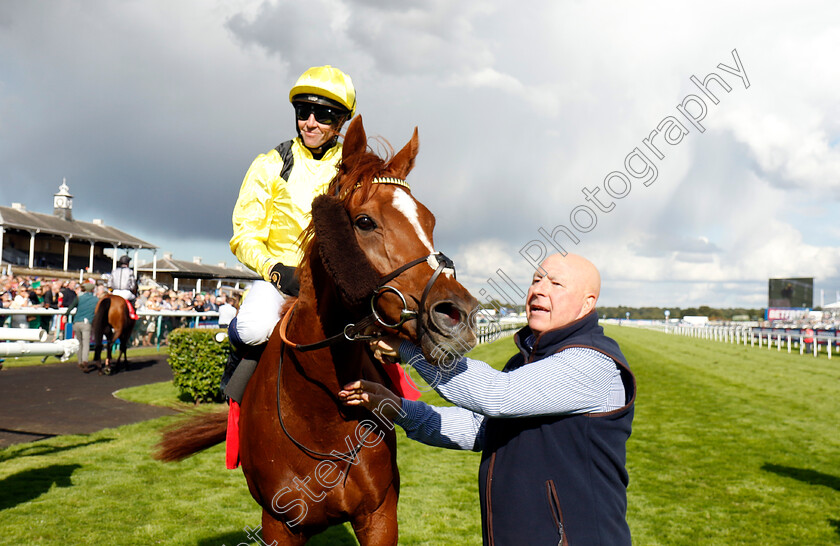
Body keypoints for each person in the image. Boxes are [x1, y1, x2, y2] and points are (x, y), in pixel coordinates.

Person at [339, 253, 636, 546]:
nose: (539, 289)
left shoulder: (593, 362)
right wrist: (398, 407)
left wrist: (410, 350)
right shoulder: (523, 363)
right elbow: (476, 429)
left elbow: (497, 396)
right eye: (536, 279)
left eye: (556, 284)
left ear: (587, 304)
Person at [222, 64, 356, 399]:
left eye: (324, 115)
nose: (311, 122)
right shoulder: (270, 163)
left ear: (342, 122)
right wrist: (275, 270)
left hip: (336, 287)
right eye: (304, 111)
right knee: (254, 328)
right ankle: (236, 385)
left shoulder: (355, 168)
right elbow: (245, 234)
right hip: (281, 283)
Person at [65, 282, 99, 373]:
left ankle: (79, 362)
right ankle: (85, 361)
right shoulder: (96, 300)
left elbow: (70, 308)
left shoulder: (79, 297)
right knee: (86, 344)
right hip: (86, 323)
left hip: (76, 322)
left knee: (79, 343)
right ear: (92, 290)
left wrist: (66, 315)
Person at [107, 255, 138, 319]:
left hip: (115, 292)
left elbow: (109, 284)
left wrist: (112, 290)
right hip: (126, 293)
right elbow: (133, 286)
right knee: (134, 298)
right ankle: (132, 316)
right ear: (127, 263)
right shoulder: (130, 271)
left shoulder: (114, 271)